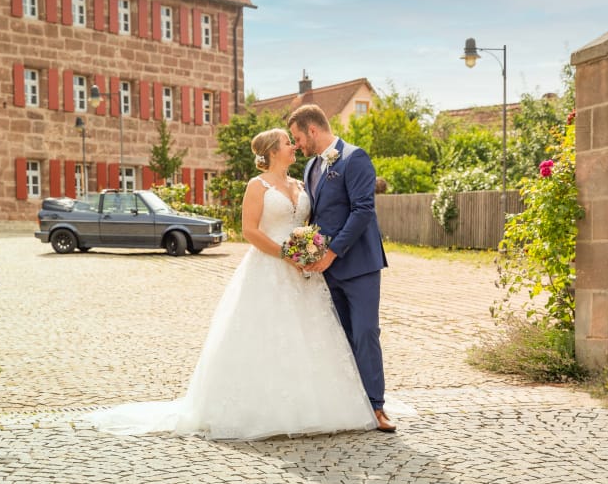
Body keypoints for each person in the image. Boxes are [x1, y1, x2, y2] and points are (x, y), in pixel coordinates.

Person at [87, 128, 377, 440]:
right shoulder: (257, 185)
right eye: (287, 142)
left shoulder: (300, 182)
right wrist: (284, 254)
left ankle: (321, 406)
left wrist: (308, 249)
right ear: (272, 151)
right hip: (269, 267)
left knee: (312, 334)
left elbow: (310, 222)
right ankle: (265, 408)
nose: (293, 146)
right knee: (267, 334)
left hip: (303, 272)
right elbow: (249, 231)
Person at [287, 104, 395, 433]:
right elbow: (317, 215)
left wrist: (332, 253)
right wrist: (305, 249)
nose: (297, 145)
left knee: (365, 332)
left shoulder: (354, 158)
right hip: (325, 268)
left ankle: (376, 406)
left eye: (298, 138)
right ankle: (351, 405)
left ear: (313, 130)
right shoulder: (310, 166)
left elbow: (363, 211)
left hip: (358, 264)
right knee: (339, 336)